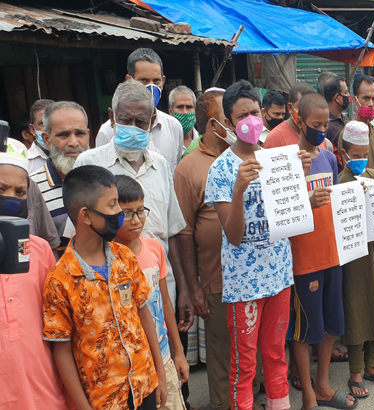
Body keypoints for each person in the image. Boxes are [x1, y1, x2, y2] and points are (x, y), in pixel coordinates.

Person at [43, 165, 168, 410]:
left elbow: (144, 314)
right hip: (103, 400)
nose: (119, 212)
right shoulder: (60, 281)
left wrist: (160, 376)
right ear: (86, 216)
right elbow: (62, 351)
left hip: (144, 386)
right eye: (112, 205)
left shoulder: (125, 258)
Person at [74, 79, 193, 327]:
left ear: (151, 122)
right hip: (108, 290)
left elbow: (172, 231)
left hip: (160, 285)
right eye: (125, 120)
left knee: (162, 356)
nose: (133, 126)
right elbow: (78, 236)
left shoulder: (160, 164)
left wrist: (183, 289)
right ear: (112, 117)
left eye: (141, 121)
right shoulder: (88, 165)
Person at [206, 114, 302, 410]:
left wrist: (301, 183)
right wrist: (238, 190)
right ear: (228, 121)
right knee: (245, 363)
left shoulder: (275, 160)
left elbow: (290, 217)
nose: (252, 122)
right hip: (245, 283)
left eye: (256, 112)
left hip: (279, 275)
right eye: (241, 115)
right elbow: (234, 236)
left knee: (276, 354)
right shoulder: (220, 168)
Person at [285, 92, 356, 410]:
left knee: (330, 323)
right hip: (303, 259)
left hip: (332, 254)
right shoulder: (286, 161)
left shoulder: (329, 156)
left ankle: (324, 383)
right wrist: (301, 193)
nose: (323, 129)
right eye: (317, 124)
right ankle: (308, 396)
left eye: (327, 123)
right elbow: (282, 210)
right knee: (303, 330)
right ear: (299, 121)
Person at [173, 88, 234, 410]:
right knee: (223, 357)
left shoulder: (243, 157)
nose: (239, 125)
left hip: (252, 277)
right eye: (230, 119)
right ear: (214, 125)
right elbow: (182, 232)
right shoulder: (189, 168)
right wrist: (193, 287)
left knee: (250, 353)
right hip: (216, 281)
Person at [0, 140, 68, 410]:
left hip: (43, 391)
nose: (11, 198)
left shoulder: (38, 250)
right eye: (1, 189)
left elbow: (57, 325)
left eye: (19, 192)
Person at [113, 175, 189, 410]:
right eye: (127, 213)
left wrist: (179, 352)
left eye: (140, 210)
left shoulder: (154, 247)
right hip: (134, 364)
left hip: (164, 353)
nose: (136, 220)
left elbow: (165, 301)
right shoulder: (110, 257)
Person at [337, 121, 374, 399]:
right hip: (354, 259)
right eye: (355, 155)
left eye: (364, 155)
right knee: (358, 309)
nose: (360, 161)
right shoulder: (339, 184)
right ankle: (356, 372)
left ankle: (373, 365)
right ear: (343, 153)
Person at [96, 48, 185, 171]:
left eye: (156, 81)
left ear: (163, 81)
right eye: (144, 80)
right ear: (129, 80)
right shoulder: (108, 131)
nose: (151, 87)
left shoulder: (174, 128)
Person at [31, 101, 90, 253]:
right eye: (63, 135)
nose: (73, 142)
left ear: (88, 135)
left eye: (80, 133)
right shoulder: (31, 189)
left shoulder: (107, 179)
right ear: (46, 139)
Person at [338, 75, 374, 179]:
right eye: (366, 98)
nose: (371, 104)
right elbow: (350, 168)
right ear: (355, 100)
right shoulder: (347, 133)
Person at [263, 82, 316, 149]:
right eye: (301, 107)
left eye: (310, 107)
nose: (306, 112)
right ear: (290, 108)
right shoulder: (275, 139)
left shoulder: (317, 135)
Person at [23, 99, 54, 173]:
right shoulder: (25, 163)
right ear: (32, 130)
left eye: (54, 122)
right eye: (42, 124)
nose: (49, 129)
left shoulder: (75, 154)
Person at [323, 75, 350, 149]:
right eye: (346, 93)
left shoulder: (346, 119)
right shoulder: (325, 125)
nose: (348, 95)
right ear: (337, 98)